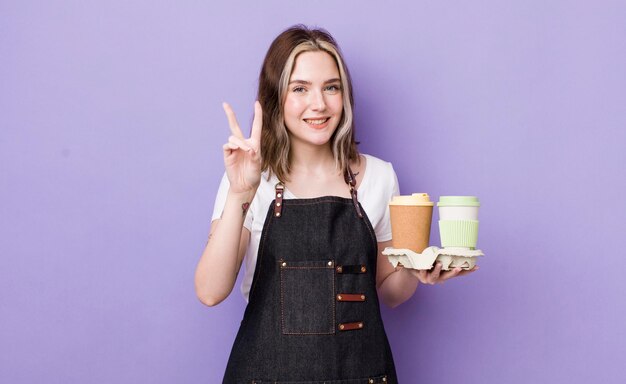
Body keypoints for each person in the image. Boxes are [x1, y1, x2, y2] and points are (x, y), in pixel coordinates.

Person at [195, 25, 476, 383]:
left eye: (332, 87)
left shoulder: (378, 176)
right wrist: (240, 192)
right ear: (275, 98)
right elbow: (209, 291)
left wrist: (416, 271)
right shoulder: (251, 177)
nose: (320, 104)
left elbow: (390, 292)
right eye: (300, 89)